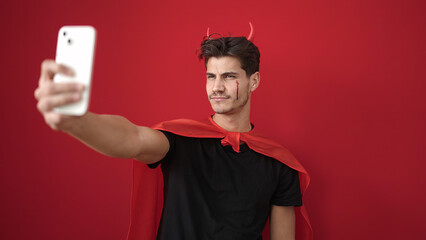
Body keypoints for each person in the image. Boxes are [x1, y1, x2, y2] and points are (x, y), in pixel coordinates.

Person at [35, 34, 311, 240]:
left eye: (228, 76)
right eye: (210, 76)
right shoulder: (179, 140)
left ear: (254, 81)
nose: (216, 87)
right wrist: (75, 121)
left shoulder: (280, 163)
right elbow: (131, 138)